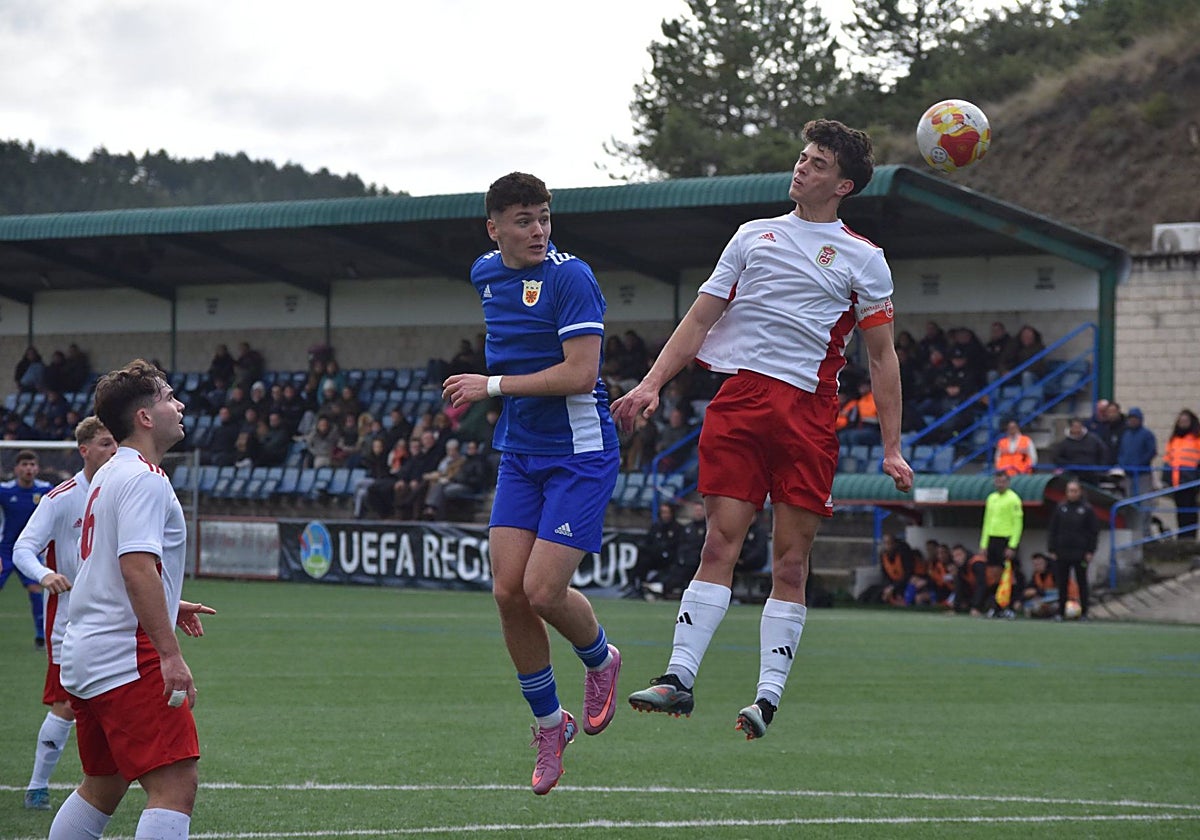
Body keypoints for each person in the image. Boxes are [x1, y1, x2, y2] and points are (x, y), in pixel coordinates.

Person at [611, 120, 913, 740]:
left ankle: (766, 698)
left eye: (818, 163)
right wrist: (650, 383)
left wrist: (891, 446)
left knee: (790, 563)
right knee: (718, 545)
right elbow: (699, 319)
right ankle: (678, 678)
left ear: (844, 184)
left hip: (808, 413)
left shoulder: (864, 258)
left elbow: (881, 358)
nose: (802, 168)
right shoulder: (752, 236)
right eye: (802, 158)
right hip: (741, 401)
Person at [440, 172, 622, 794]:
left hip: (579, 452)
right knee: (507, 593)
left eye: (543, 216)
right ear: (495, 229)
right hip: (520, 452)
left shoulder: (571, 277)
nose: (538, 229)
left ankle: (601, 658)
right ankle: (551, 724)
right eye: (523, 220)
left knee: (544, 591)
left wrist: (488, 386)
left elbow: (580, 374)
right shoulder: (485, 272)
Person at [50, 360, 216, 840]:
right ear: (145, 417)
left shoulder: (108, 473)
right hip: (127, 654)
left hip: (87, 652)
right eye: (168, 397)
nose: (179, 404)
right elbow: (135, 566)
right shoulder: (143, 477)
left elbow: (110, 564)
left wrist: (168, 602)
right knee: (175, 786)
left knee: (102, 785)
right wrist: (169, 653)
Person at [12, 418, 117, 811]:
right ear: (84, 450)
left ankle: (116, 778)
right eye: (105, 443)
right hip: (70, 622)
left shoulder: (123, 490)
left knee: (117, 697)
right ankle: (38, 785)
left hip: (117, 618)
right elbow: (23, 548)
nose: (112, 450)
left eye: (115, 443)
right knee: (69, 704)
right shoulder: (62, 497)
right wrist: (45, 574)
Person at [0, 449, 55, 648]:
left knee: (35, 588)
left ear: (37, 468)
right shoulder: (5, 491)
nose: (28, 469)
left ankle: (41, 636)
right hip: (4, 550)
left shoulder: (45, 490)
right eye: (24, 465)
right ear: (16, 469)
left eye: (32, 465)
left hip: (31, 551)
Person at [1046, 479, 1099, 620]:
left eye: (1075, 491)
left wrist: (1090, 551)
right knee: (1062, 583)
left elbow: (1093, 532)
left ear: (1080, 492)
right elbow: (1053, 529)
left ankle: (1085, 613)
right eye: (1070, 490)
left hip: (1080, 553)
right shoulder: (1060, 508)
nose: (1072, 493)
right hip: (1062, 552)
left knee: (1082, 583)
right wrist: (1052, 549)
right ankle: (1060, 613)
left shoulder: (1087, 509)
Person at [976, 470, 1023, 618]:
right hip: (992, 540)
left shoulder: (1014, 499)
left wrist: (1012, 545)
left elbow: (1018, 523)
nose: (1000, 484)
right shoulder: (991, 498)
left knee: (1009, 576)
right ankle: (995, 606)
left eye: (1003, 481)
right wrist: (984, 544)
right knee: (993, 575)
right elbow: (987, 521)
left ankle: (1009, 607)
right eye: (998, 481)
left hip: (1006, 540)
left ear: (1008, 482)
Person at [1162, 409, 1200, 538]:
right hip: (1177, 481)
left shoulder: (1196, 438)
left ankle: (1189, 537)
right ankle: (1183, 537)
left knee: (1190, 512)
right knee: (1180, 512)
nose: (1182, 423)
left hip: (1191, 482)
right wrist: (1166, 479)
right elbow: (1168, 459)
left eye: (1185, 421)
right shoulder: (1174, 439)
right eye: (1181, 421)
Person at [1116, 406, 1156, 495]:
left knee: (1143, 497)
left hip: (1143, 474)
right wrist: (1122, 464)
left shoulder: (1147, 434)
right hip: (1127, 474)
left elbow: (1151, 451)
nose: (1132, 421)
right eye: (1130, 418)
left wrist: (1139, 464)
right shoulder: (1126, 434)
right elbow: (1121, 451)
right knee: (1130, 498)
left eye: (1135, 418)